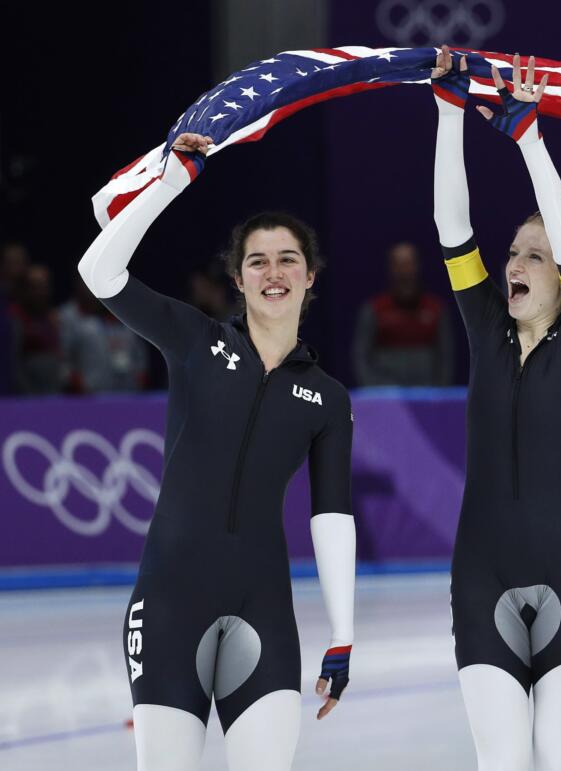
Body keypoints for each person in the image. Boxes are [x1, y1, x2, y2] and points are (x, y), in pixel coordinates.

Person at [77, 133, 356, 771]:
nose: (274, 273)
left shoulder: (327, 398)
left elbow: (332, 515)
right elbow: (99, 273)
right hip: (170, 603)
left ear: (310, 278)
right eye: (257, 261)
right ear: (237, 278)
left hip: (265, 610)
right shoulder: (195, 342)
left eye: (288, 260)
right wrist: (169, 183)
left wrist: (342, 635)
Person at [431, 49, 561, 771]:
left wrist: (532, 140)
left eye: (534, 256)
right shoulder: (486, 327)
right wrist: (449, 113)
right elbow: (453, 225)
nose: (515, 263)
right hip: (480, 574)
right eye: (515, 251)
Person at [352, 241, 454, 386]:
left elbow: (446, 358)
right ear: (391, 269)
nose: (405, 272)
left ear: (417, 267)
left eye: (408, 264)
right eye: (399, 265)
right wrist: (375, 391)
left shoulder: (436, 309)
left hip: (427, 394)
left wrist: (438, 393)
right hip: (385, 396)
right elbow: (361, 357)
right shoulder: (374, 309)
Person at [60, 275, 149, 393]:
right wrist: (79, 385)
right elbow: (67, 361)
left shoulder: (131, 329)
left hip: (127, 395)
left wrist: (138, 384)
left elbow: (141, 362)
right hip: (92, 396)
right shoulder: (85, 327)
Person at [9, 263, 67, 394]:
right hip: (26, 395)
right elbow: (13, 366)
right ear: (24, 289)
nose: (40, 292)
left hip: (54, 392)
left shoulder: (53, 318)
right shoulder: (14, 319)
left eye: (44, 287)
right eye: (35, 287)